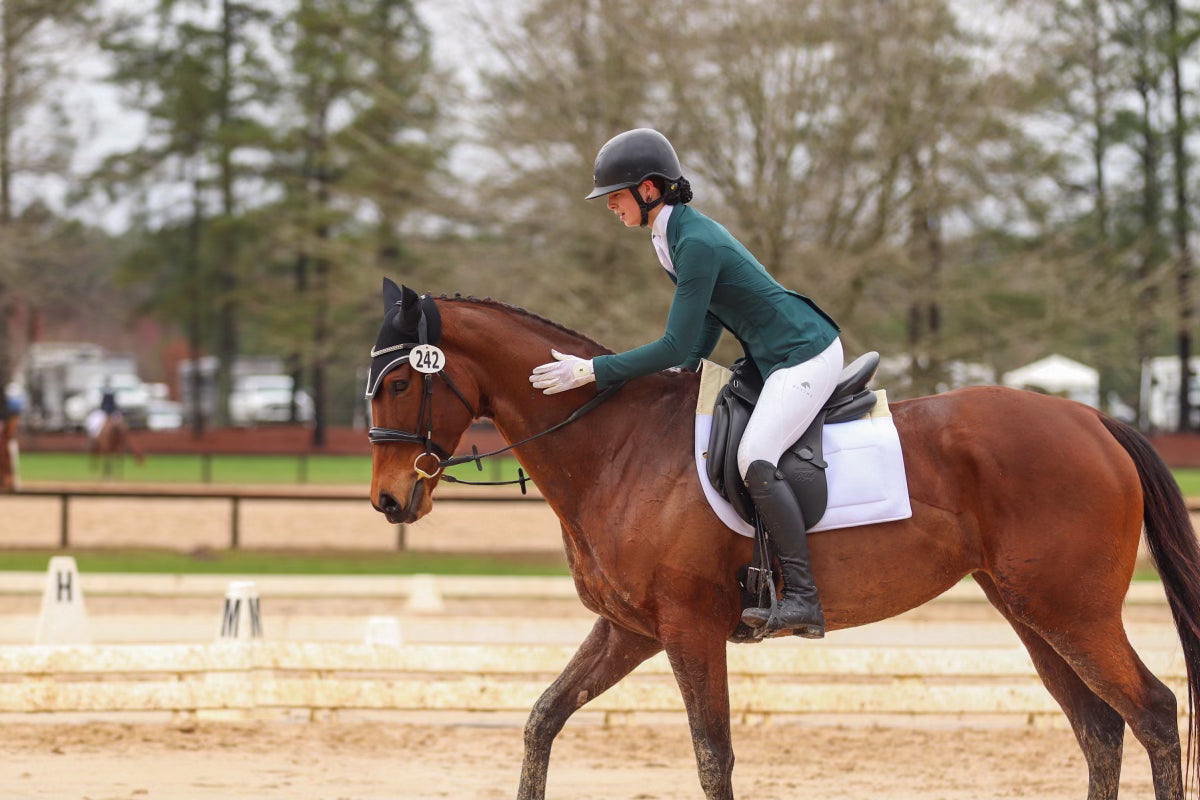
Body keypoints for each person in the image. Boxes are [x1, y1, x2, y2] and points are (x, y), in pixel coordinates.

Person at [528, 128, 843, 638]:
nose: (609, 206)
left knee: (754, 456)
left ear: (648, 189)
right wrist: (690, 366)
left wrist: (592, 370)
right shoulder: (670, 237)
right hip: (774, 356)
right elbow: (712, 315)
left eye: (615, 195)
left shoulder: (692, 241)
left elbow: (673, 344)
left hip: (806, 353)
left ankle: (803, 598)